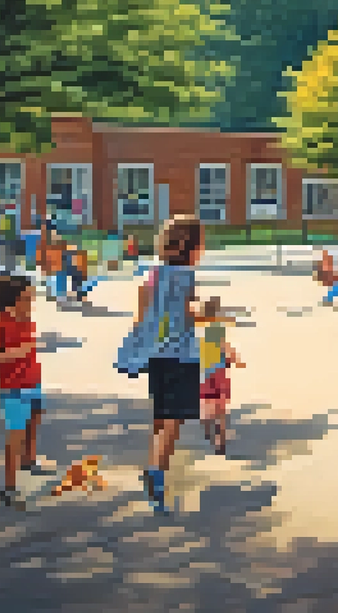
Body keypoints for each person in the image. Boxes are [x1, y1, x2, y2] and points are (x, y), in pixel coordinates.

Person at [132, 215, 208, 514]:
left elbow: (141, 318)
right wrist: (210, 313)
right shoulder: (184, 276)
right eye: (201, 242)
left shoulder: (153, 274)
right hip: (181, 354)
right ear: (190, 246)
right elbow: (188, 315)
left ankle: (153, 466)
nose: (204, 248)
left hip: (156, 354)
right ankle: (156, 475)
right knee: (173, 420)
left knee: (161, 416)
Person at [0, 274, 53, 508]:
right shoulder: (0, 324)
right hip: (13, 387)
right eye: (26, 298)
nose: (31, 303)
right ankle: (10, 487)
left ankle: (29, 460)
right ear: (12, 301)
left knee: (35, 418)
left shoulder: (27, 321)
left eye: (31, 298)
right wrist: (16, 353)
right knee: (15, 433)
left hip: (33, 382)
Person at [198, 297, 243, 456]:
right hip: (219, 370)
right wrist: (236, 359)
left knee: (206, 402)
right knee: (221, 407)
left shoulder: (196, 329)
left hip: (203, 372)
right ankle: (220, 440)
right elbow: (224, 346)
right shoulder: (217, 328)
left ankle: (207, 426)